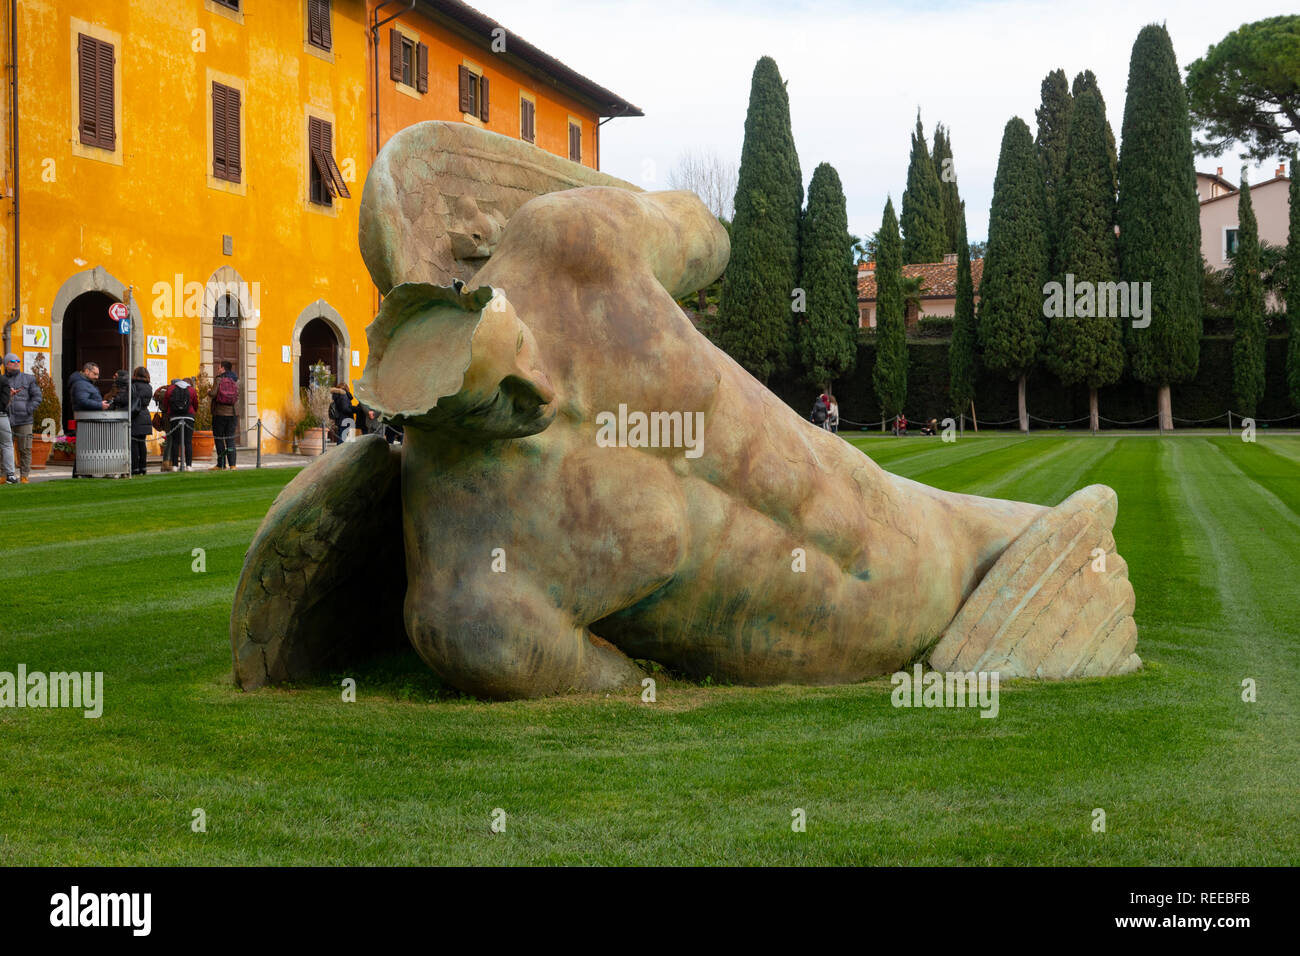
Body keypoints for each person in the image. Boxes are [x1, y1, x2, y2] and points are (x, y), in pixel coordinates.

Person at [67, 362, 109, 477]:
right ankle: (81, 472)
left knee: (88, 447)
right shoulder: (81, 384)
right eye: (95, 374)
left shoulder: (85, 383)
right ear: (86, 371)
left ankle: (85, 472)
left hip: (89, 419)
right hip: (86, 420)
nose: (97, 377)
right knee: (85, 447)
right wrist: (99, 405)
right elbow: (82, 401)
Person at [4, 353, 41, 483]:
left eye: (18, 361)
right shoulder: (2, 379)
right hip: (6, 419)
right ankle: (4, 476)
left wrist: (28, 409)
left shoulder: (28, 379)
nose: (16, 363)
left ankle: (24, 476)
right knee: (3, 448)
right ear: (6, 364)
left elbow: (37, 397)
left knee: (25, 449)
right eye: (13, 361)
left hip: (24, 419)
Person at [211, 361, 239, 470]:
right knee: (230, 439)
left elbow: (213, 393)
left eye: (219, 368)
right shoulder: (236, 380)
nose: (218, 370)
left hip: (219, 413)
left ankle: (221, 464)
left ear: (223, 368)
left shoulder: (219, 379)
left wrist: (209, 391)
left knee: (219, 439)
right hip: (232, 414)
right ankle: (233, 465)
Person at [164, 376, 197, 470]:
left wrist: (169, 412)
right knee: (188, 442)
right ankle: (189, 465)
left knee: (175, 442)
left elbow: (166, 404)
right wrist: (192, 412)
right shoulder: (191, 390)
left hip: (174, 417)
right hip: (189, 417)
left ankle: (174, 465)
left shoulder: (170, 389)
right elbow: (195, 404)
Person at [128, 367, 153, 476]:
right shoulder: (149, 386)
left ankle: (135, 467)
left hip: (136, 415)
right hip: (145, 414)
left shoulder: (134, 386)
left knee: (134, 443)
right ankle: (143, 467)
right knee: (142, 443)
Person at [0, 359, 15, 484]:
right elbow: (5, 402)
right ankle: (10, 475)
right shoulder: (4, 381)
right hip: (1, 417)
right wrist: (11, 395)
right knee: (7, 445)